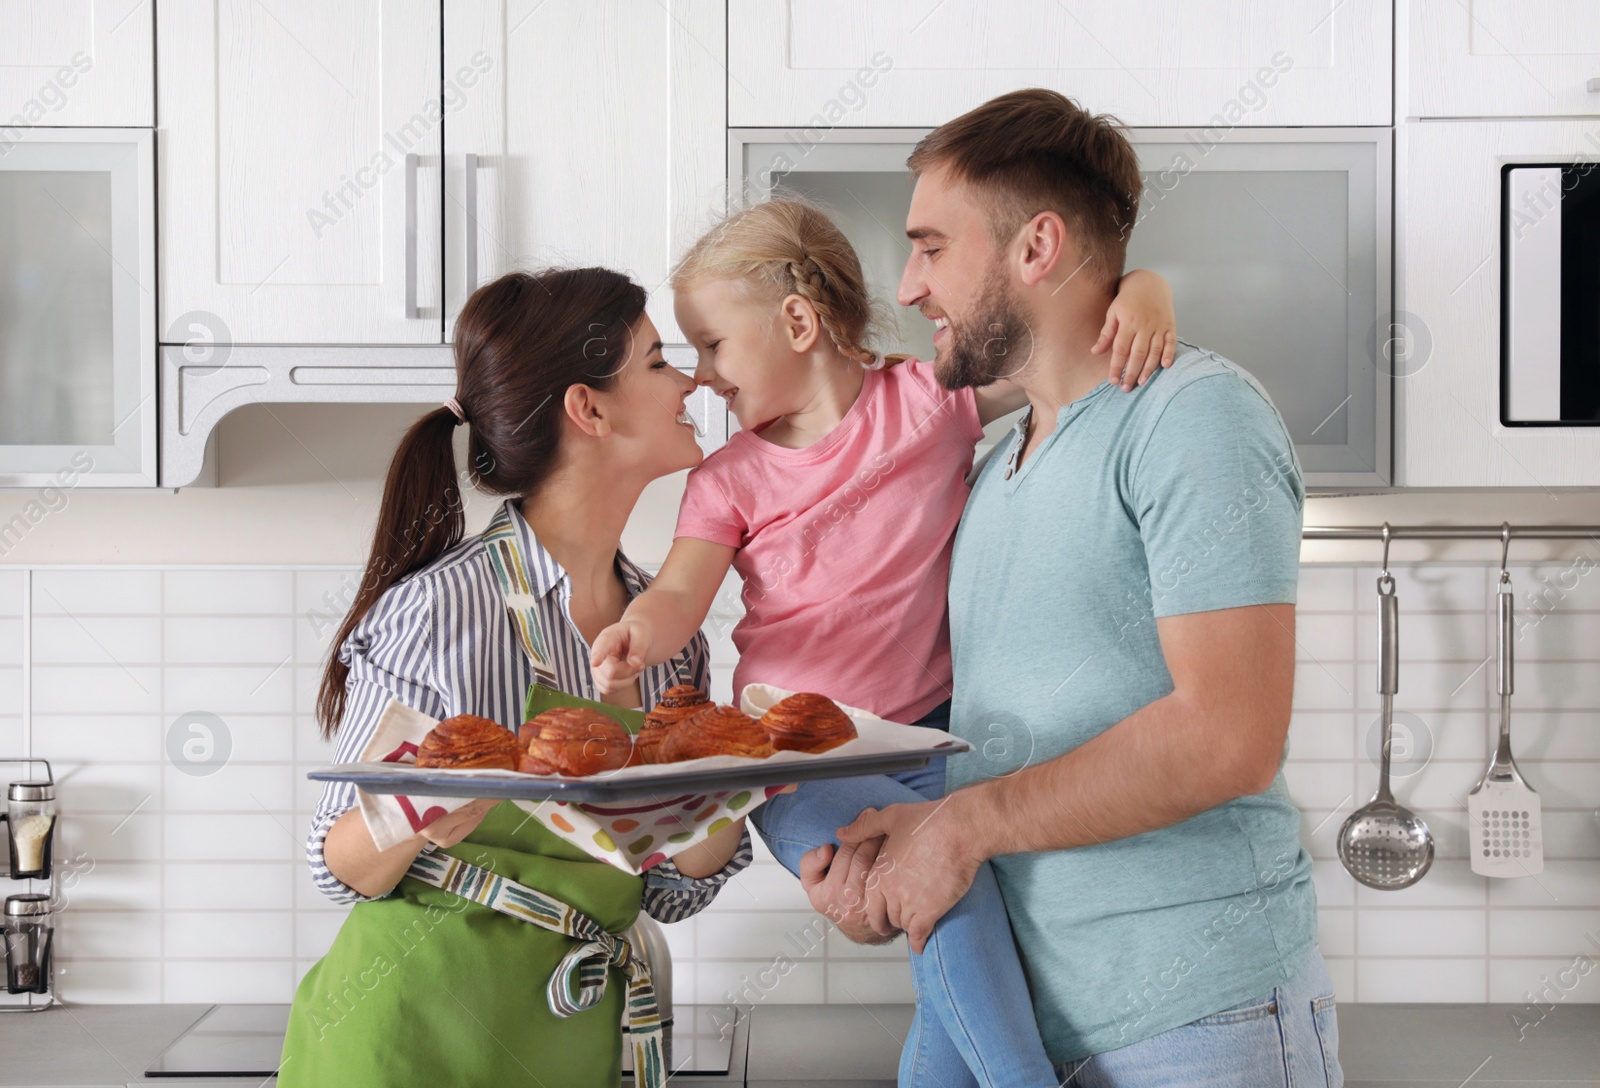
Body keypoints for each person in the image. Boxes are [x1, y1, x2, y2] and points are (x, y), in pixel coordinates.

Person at [804, 89, 1342, 1087]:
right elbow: (1014, 764)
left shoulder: (1190, 417)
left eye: (929, 245)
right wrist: (907, 855)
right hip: (1021, 1030)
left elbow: (1228, 733)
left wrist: (962, 826)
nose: (909, 286)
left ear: (1035, 248)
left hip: (1196, 1025)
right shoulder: (992, 465)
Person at [588, 197, 1178, 1088]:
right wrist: (637, 632)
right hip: (796, 759)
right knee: (947, 887)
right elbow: (678, 591)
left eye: (712, 345)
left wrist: (1145, 291)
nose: (703, 377)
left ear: (796, 321)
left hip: (938, 741)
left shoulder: (929, 403)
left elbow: (1065, 337)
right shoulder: (728, 479)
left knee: (953, 919)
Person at [280, 268, 754, 1088]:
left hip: (572, 1037)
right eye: (655, 362)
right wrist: (422, 806)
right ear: (589, 409)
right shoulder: (440, 610)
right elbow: (341, 866)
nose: (692, 381)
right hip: (409, 1043)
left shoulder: (666, 629)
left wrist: (732, 787)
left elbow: (672, 890)